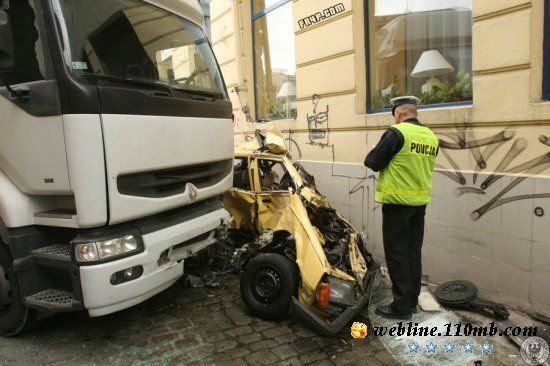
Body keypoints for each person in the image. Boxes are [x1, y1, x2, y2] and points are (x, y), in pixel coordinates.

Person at [364, 96, 439, 319]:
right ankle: (411, 299)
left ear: (398, 113)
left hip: (397, 203)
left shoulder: (397, 133)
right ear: (414, 112)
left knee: (397, 254)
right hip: (419, 203)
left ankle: (401, 307)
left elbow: (373, 162)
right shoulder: (430, 137)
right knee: (413, 253)